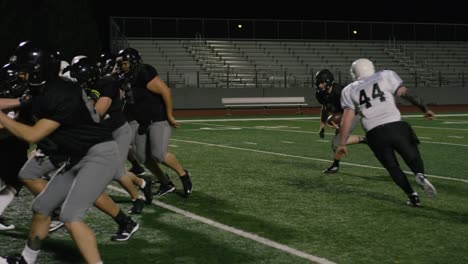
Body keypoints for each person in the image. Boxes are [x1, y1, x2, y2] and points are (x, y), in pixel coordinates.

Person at [0, 41, 131, 264]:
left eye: (25, 69)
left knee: (70, 216)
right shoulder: (44, 88)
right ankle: (27, 260)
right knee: (42, 207)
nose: (22, 75)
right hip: (76, 155)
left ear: (38, 70)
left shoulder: (61, 93)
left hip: (98, 154)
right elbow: (18, 102)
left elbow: (32, 135)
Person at [336, 58, 437, 207]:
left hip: (374, 133)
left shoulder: (349, 90)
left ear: (354, 73)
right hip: (396, 125)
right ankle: (420, 174)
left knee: (392, 167)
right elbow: (405, 93)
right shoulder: (386, 75)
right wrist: (425, 108)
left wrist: (342, 143)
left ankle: (413, 196)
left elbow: (347, 120)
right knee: (412, 155)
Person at [69, 55, 153, 211]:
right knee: (107, 168)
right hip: (104, 132)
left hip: (118, 131)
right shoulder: (94, 85)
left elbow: (98, 112)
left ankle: (137, 198)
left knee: (115, 170)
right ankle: (143, 183)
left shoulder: (107, 83)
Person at [116, 47, 192, 197]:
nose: (122, 66)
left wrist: (169, 115)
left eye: (125, 63)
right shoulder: (125, 77)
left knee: (159, 155)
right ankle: (165, 182)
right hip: (141, 122)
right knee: (143, 157)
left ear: (133, 62)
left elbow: (165, 91)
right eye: (121, 64)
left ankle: (183, 174)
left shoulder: (144, 71)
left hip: (157, 119)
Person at [314, 69, 367, 174]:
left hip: (351, 114)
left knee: (337, 143)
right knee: (336, 145)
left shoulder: (341, 92)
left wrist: (341, 122)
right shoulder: (320, 94)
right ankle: (364, 140)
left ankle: (335, 166)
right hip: (341, 115)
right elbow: (325, 108)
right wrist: (322, 126)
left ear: (328, 81)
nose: (319, 85)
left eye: (322, 82)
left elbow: (352, 109)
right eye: (318, 83)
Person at [0, 63, 30, 231]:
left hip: (11, 144)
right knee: (20, 177)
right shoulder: (11, 97)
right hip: (7, 144)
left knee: (18, 179)